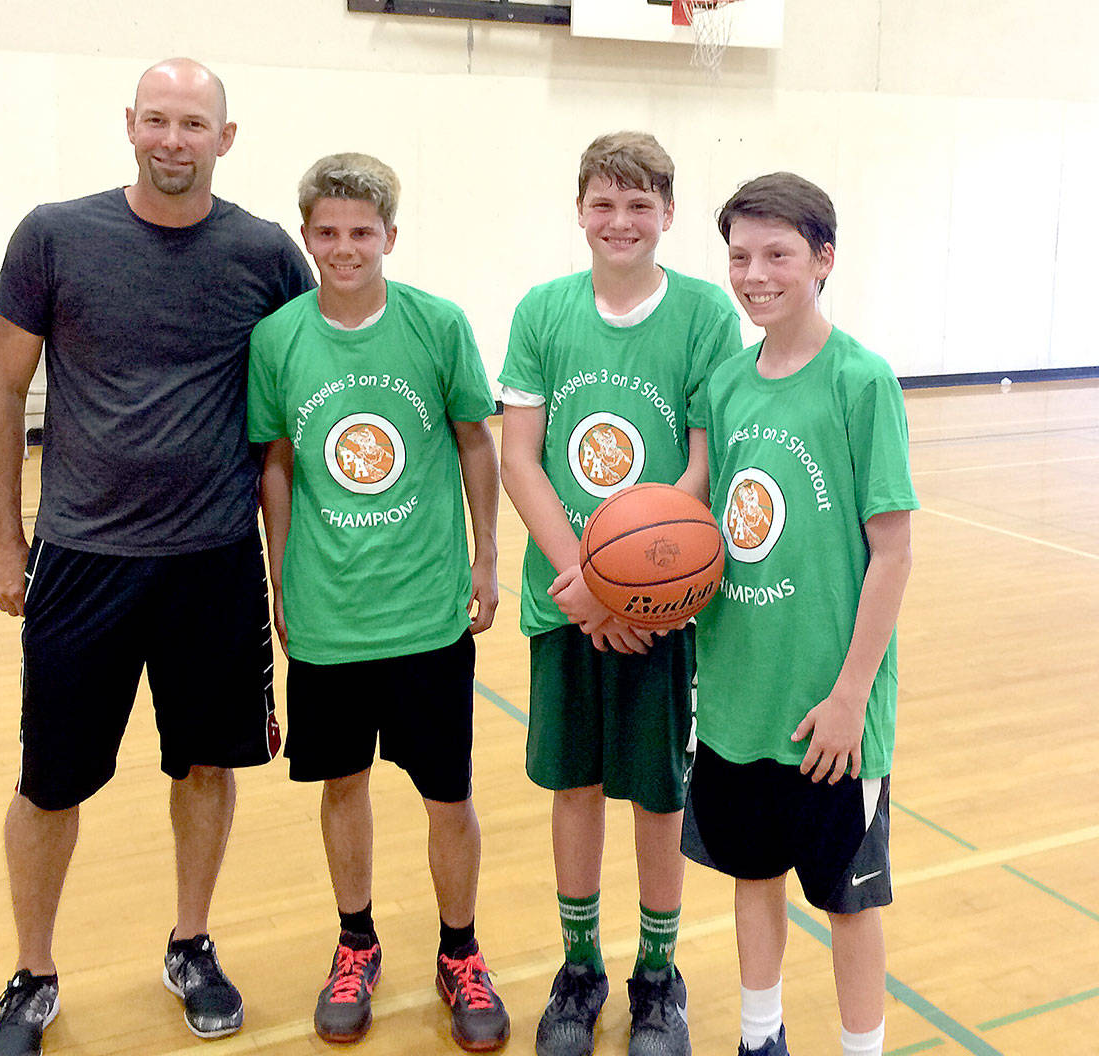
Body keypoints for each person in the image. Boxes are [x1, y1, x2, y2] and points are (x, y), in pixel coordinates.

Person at [0, 57, 313, 1056]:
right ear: (129, 124)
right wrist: (5, 539)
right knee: (50, 782)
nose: (173, 139)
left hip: (213, 563)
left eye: (192, 123)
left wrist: (302, 567)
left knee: (206, 763)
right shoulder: (54, 235)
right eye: (156, 120)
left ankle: (191, 943)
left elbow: (299, 408)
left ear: (225, 137)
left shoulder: (262, 253)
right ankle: (32, 975)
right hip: (82, 559)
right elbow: (0, 392)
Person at [247, 153, 510, 1052]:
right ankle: (355, 942)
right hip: (329, 612)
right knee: (343, 785)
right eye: (328, 232)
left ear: (390, 237)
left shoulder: (437, 326)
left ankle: (460, 952)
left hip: (427, 610)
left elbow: (478, 442)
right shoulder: (278, 337)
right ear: (308, 237)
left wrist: (487, 556)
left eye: (363, 232)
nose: (346, 248)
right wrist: (282, 577)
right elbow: (276, 461)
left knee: (448, 795)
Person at [499, 131, 742, 1056]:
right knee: (575, 787)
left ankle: (656, 977)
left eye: (640, 205)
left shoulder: (706, 317)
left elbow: (706, 458)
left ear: (668, 216)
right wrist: (588, 583)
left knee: (657, 794)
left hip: (665, 608)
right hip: (564, 600)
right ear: (580, 211)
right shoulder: (544, 311)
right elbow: (522, 457)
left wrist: (632, 587)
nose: (621, 221)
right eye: (604, 203)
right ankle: (577, 971)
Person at [682, 172, 917, 1056]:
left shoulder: (862, 382)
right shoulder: (727, 385)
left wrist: (854, 694)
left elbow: (891, 551)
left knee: (848, 901)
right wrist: (615, 573)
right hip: (739, 693)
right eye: (739, 256)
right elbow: (694, 512)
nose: (755, 274)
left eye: (777, 254)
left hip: (831, 707)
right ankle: (758, 1037)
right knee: (752, 876)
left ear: (823, 258)